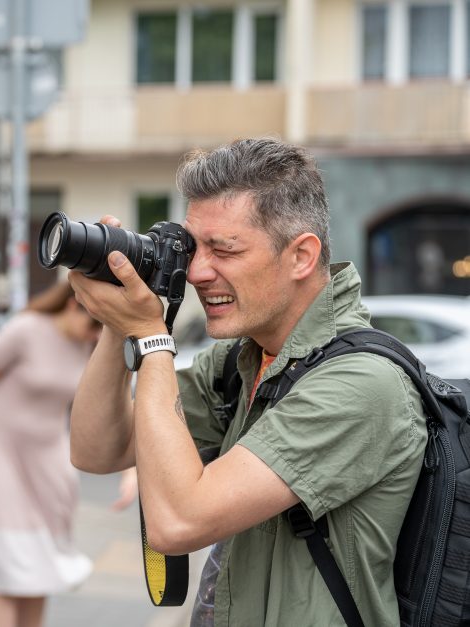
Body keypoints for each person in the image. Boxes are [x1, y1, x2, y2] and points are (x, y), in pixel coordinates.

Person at [68, 137, 427, 626]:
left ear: (301, 256)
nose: (196, 271)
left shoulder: (362, 384)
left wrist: (151, 338)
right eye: (195, 248)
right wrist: (117, 323)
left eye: (224, 250)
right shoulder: (241, 363)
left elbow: (177, 523)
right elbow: (97, 450)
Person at [0, 281, 101, 627]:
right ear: (72, 305)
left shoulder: (89, 347)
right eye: (93, 325)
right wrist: (4, 428)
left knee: (38, 568)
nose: (95, 335)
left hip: (48, 463)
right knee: (1, 567)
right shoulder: (26, 330)